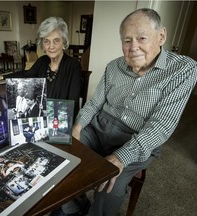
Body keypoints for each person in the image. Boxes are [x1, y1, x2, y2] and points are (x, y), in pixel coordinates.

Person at [54, 8, 197, 216]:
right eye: (127, 40)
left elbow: (161, 126)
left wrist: (121, 157)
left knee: (109, 186)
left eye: (141, 38)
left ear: (161, 36)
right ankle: (76, 208)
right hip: (99, 126)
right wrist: (77, 127)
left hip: (138, 137)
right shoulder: (113, 67)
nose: (133, 47)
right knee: (65, 158)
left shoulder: (184, 70)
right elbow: (94, 104)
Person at [0, 17, 81, 118]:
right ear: (43, 45)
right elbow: (25, 74)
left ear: (64, 43)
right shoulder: (43, 61)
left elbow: (72, 102)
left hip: (61, 120)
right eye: (47, 41)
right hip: (40, 118)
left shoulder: (73, 65)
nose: (51, 46)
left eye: (56, 41)